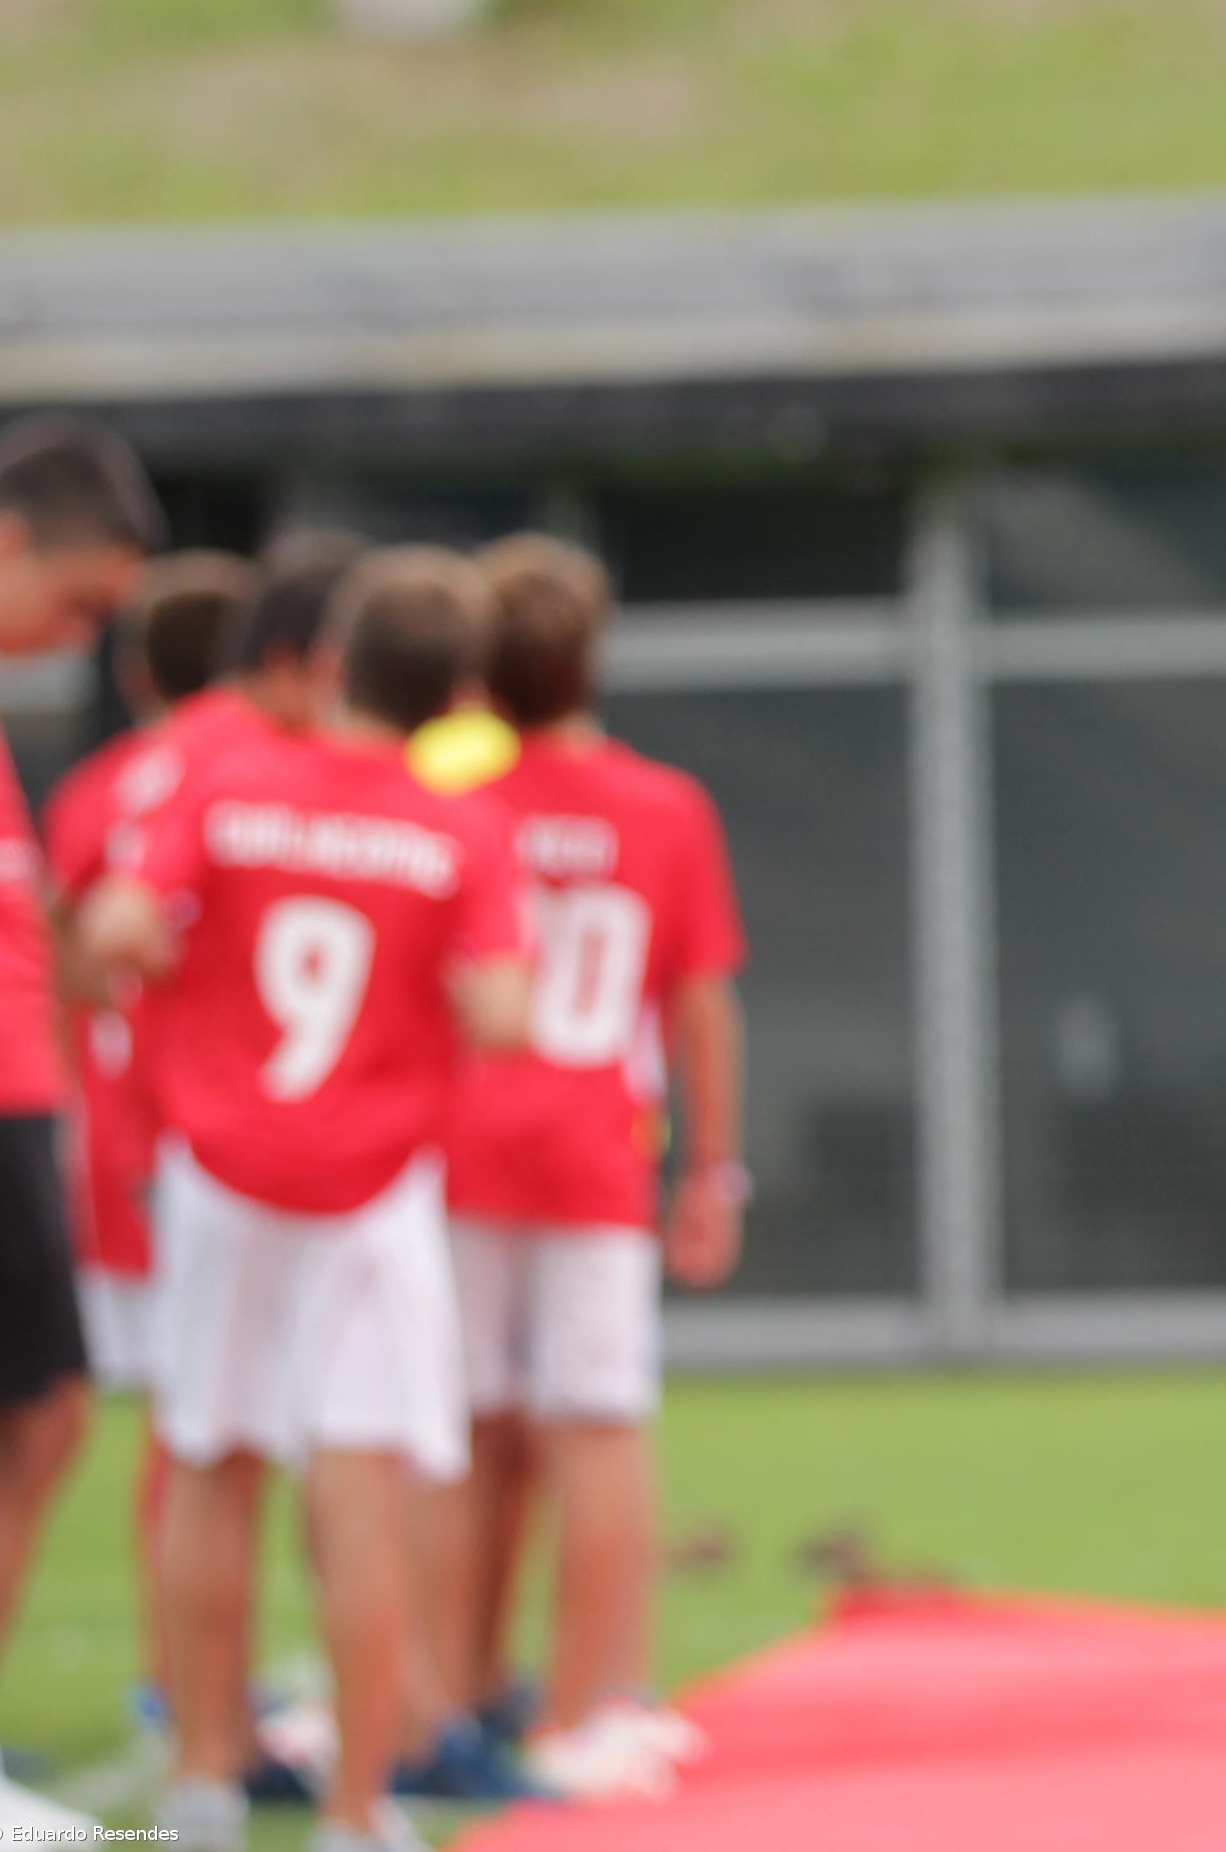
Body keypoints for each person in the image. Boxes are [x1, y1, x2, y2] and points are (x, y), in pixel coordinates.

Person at [83, 549, 528, 1852]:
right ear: (454, 693)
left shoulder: (225, 783)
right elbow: (505, 1009)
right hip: (371, 1187)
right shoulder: (454, 825)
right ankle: (356, 1803)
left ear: (335, 661)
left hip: (221, 1169)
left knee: (212, 1466)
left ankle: (204, 1782)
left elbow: (115, 925)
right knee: (361, 1485)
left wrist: (182, 971)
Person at [425, 536, 742, 1803]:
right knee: (598, 1426)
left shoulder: (452, 796)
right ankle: (588, 1703)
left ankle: (445, 1692)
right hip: (596, 1150)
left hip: (457, 1144)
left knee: (461, 1429)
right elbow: (703, 1000)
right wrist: (713, 1166)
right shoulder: (663, 807)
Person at [0, 421, 163, 1834]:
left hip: (16, 1095)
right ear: (4, 544)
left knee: (36, 1417)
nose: (83, 640)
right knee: (34, 1416)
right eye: (82, 603)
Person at [43, 549, 254, 1737]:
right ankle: (193, 1685)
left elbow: (62, 956)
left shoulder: (94, 791)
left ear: (134, 669)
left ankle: (180, 1673)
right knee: (210, 1421)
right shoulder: (247, 774)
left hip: (108, 1124)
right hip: (212, 1131)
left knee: (178, 1416)